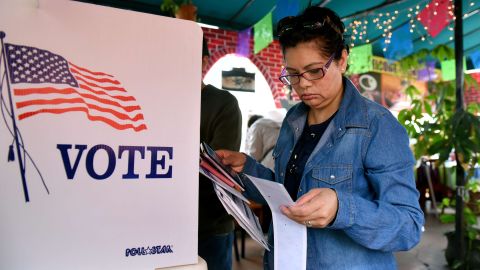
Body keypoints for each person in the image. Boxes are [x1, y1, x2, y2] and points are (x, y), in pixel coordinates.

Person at [216, 6, 424, 270]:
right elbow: (289, 196)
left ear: (342, 60)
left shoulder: (377, 126)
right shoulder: (294, 119)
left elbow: (408, 226)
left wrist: (341, 209)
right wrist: (246, 169)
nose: (302, 84)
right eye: (293, 73)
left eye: (314, 71)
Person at [198, 37, 242, 270]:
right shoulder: (162, 101)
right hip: (161, 223)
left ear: (204, 61)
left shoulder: (223, 103)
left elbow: (217, 169)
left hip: (209, 226)